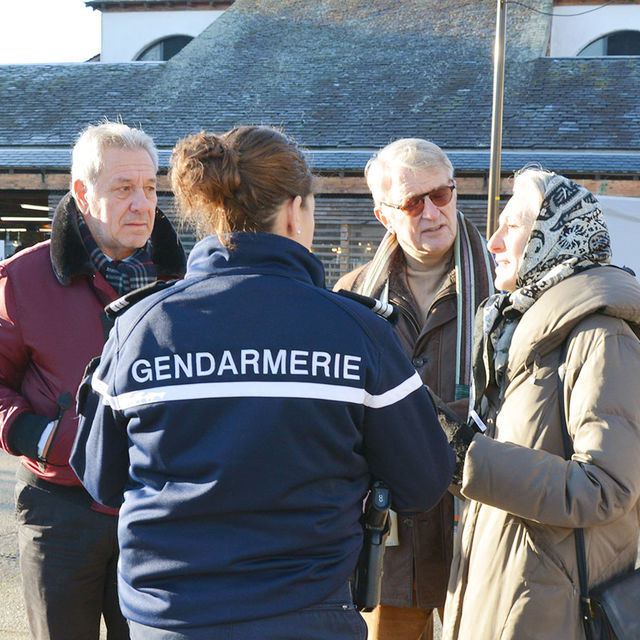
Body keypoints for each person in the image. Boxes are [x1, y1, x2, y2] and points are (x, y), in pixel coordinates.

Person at [69, 125, 456, 640]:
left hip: (170, 620)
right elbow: (423, 480)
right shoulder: (358, 331)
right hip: (309, 617)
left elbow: (99, 477)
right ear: (296, 210)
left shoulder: (139, 329)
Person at [0, 121, 186, 640]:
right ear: (82, 194)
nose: (142, 203)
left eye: (150, 188)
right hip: (59, 510)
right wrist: (44, 437)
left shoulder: (187, 283)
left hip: (155, 508)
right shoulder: (21, 281)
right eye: (123, 188)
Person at [440, 168, 640, 639]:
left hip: (553, 613)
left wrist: (465, 457)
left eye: (511, 226)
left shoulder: (602, 337)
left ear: (554, 236)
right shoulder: (525, 336)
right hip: (505, 598)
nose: (492, 242)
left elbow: (605, 487)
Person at [334, 138, 494, 640]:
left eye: (441, 195)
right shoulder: (352, 297)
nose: (431, 212)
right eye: (411, 202)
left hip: (486, 526)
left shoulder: (507, 289)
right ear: (384, 215)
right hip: (391, 542)